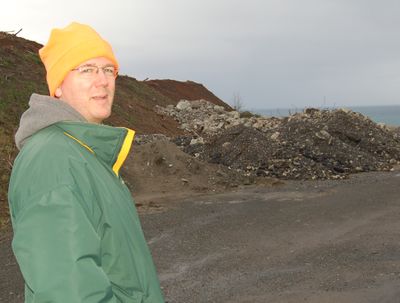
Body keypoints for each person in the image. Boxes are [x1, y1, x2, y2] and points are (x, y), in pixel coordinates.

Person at [8, 22, 165, 302]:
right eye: (87, 69)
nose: (102, 81)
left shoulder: (83, 153)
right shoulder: (54, 160)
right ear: (58, 86)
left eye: (108, 70)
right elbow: (68, 292)